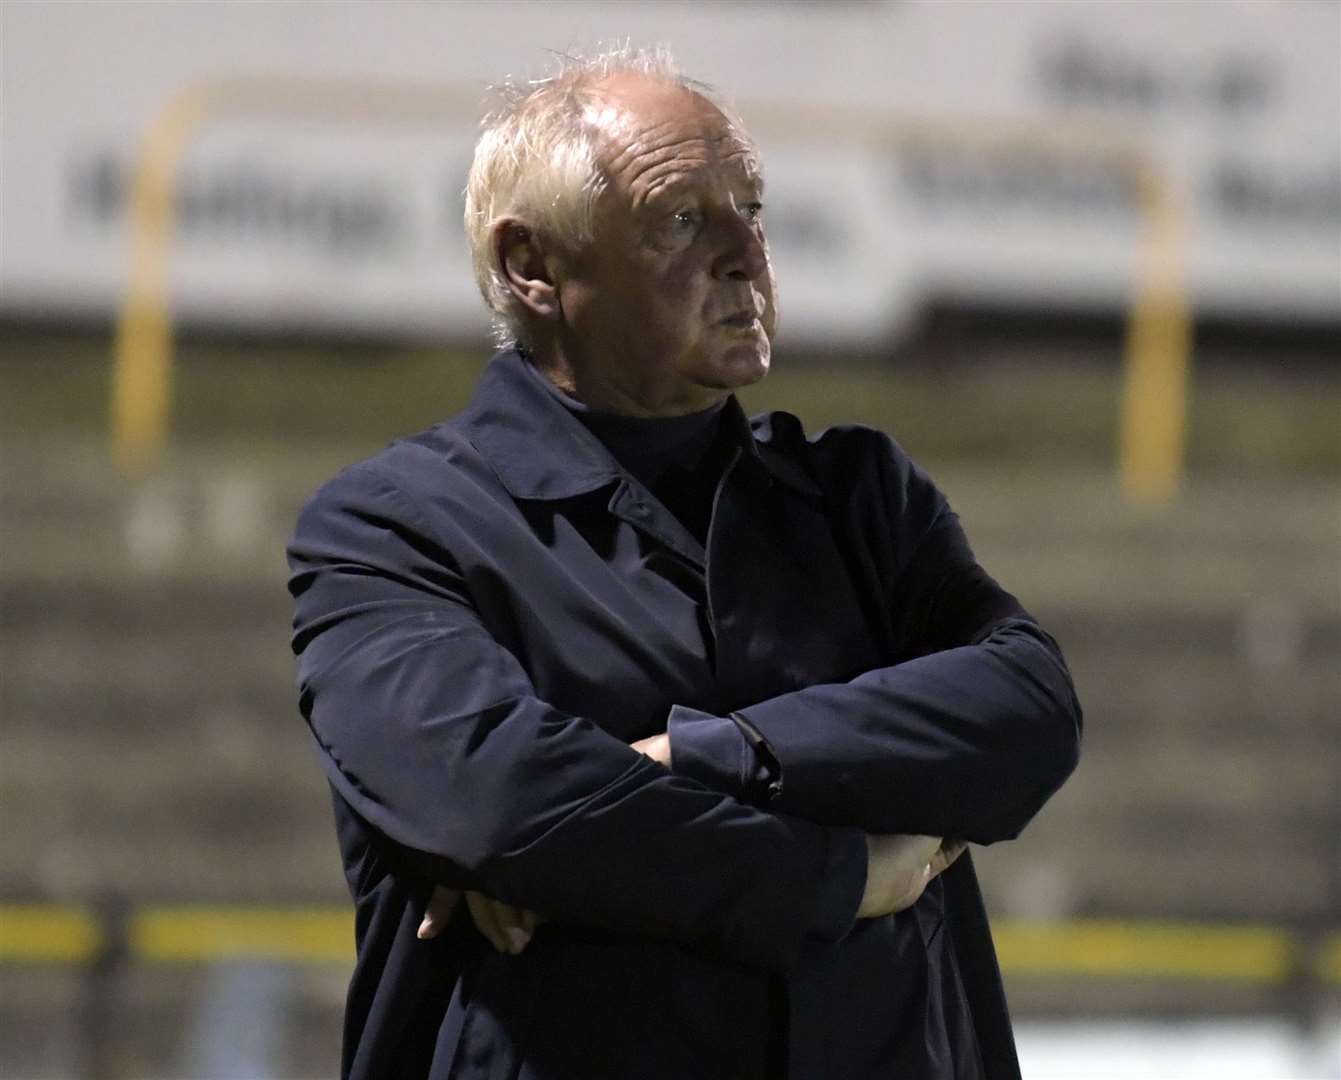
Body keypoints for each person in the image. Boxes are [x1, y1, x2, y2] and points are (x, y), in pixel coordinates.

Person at [287, 46, 1081, 1080]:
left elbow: (1027, 710)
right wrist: (843, 874)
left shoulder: (858, 494)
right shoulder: (394, 527)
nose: (747, 253)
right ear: (534, 267)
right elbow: (506, 799)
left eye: (750, 207)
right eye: (680, 220)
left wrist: (694, 759)